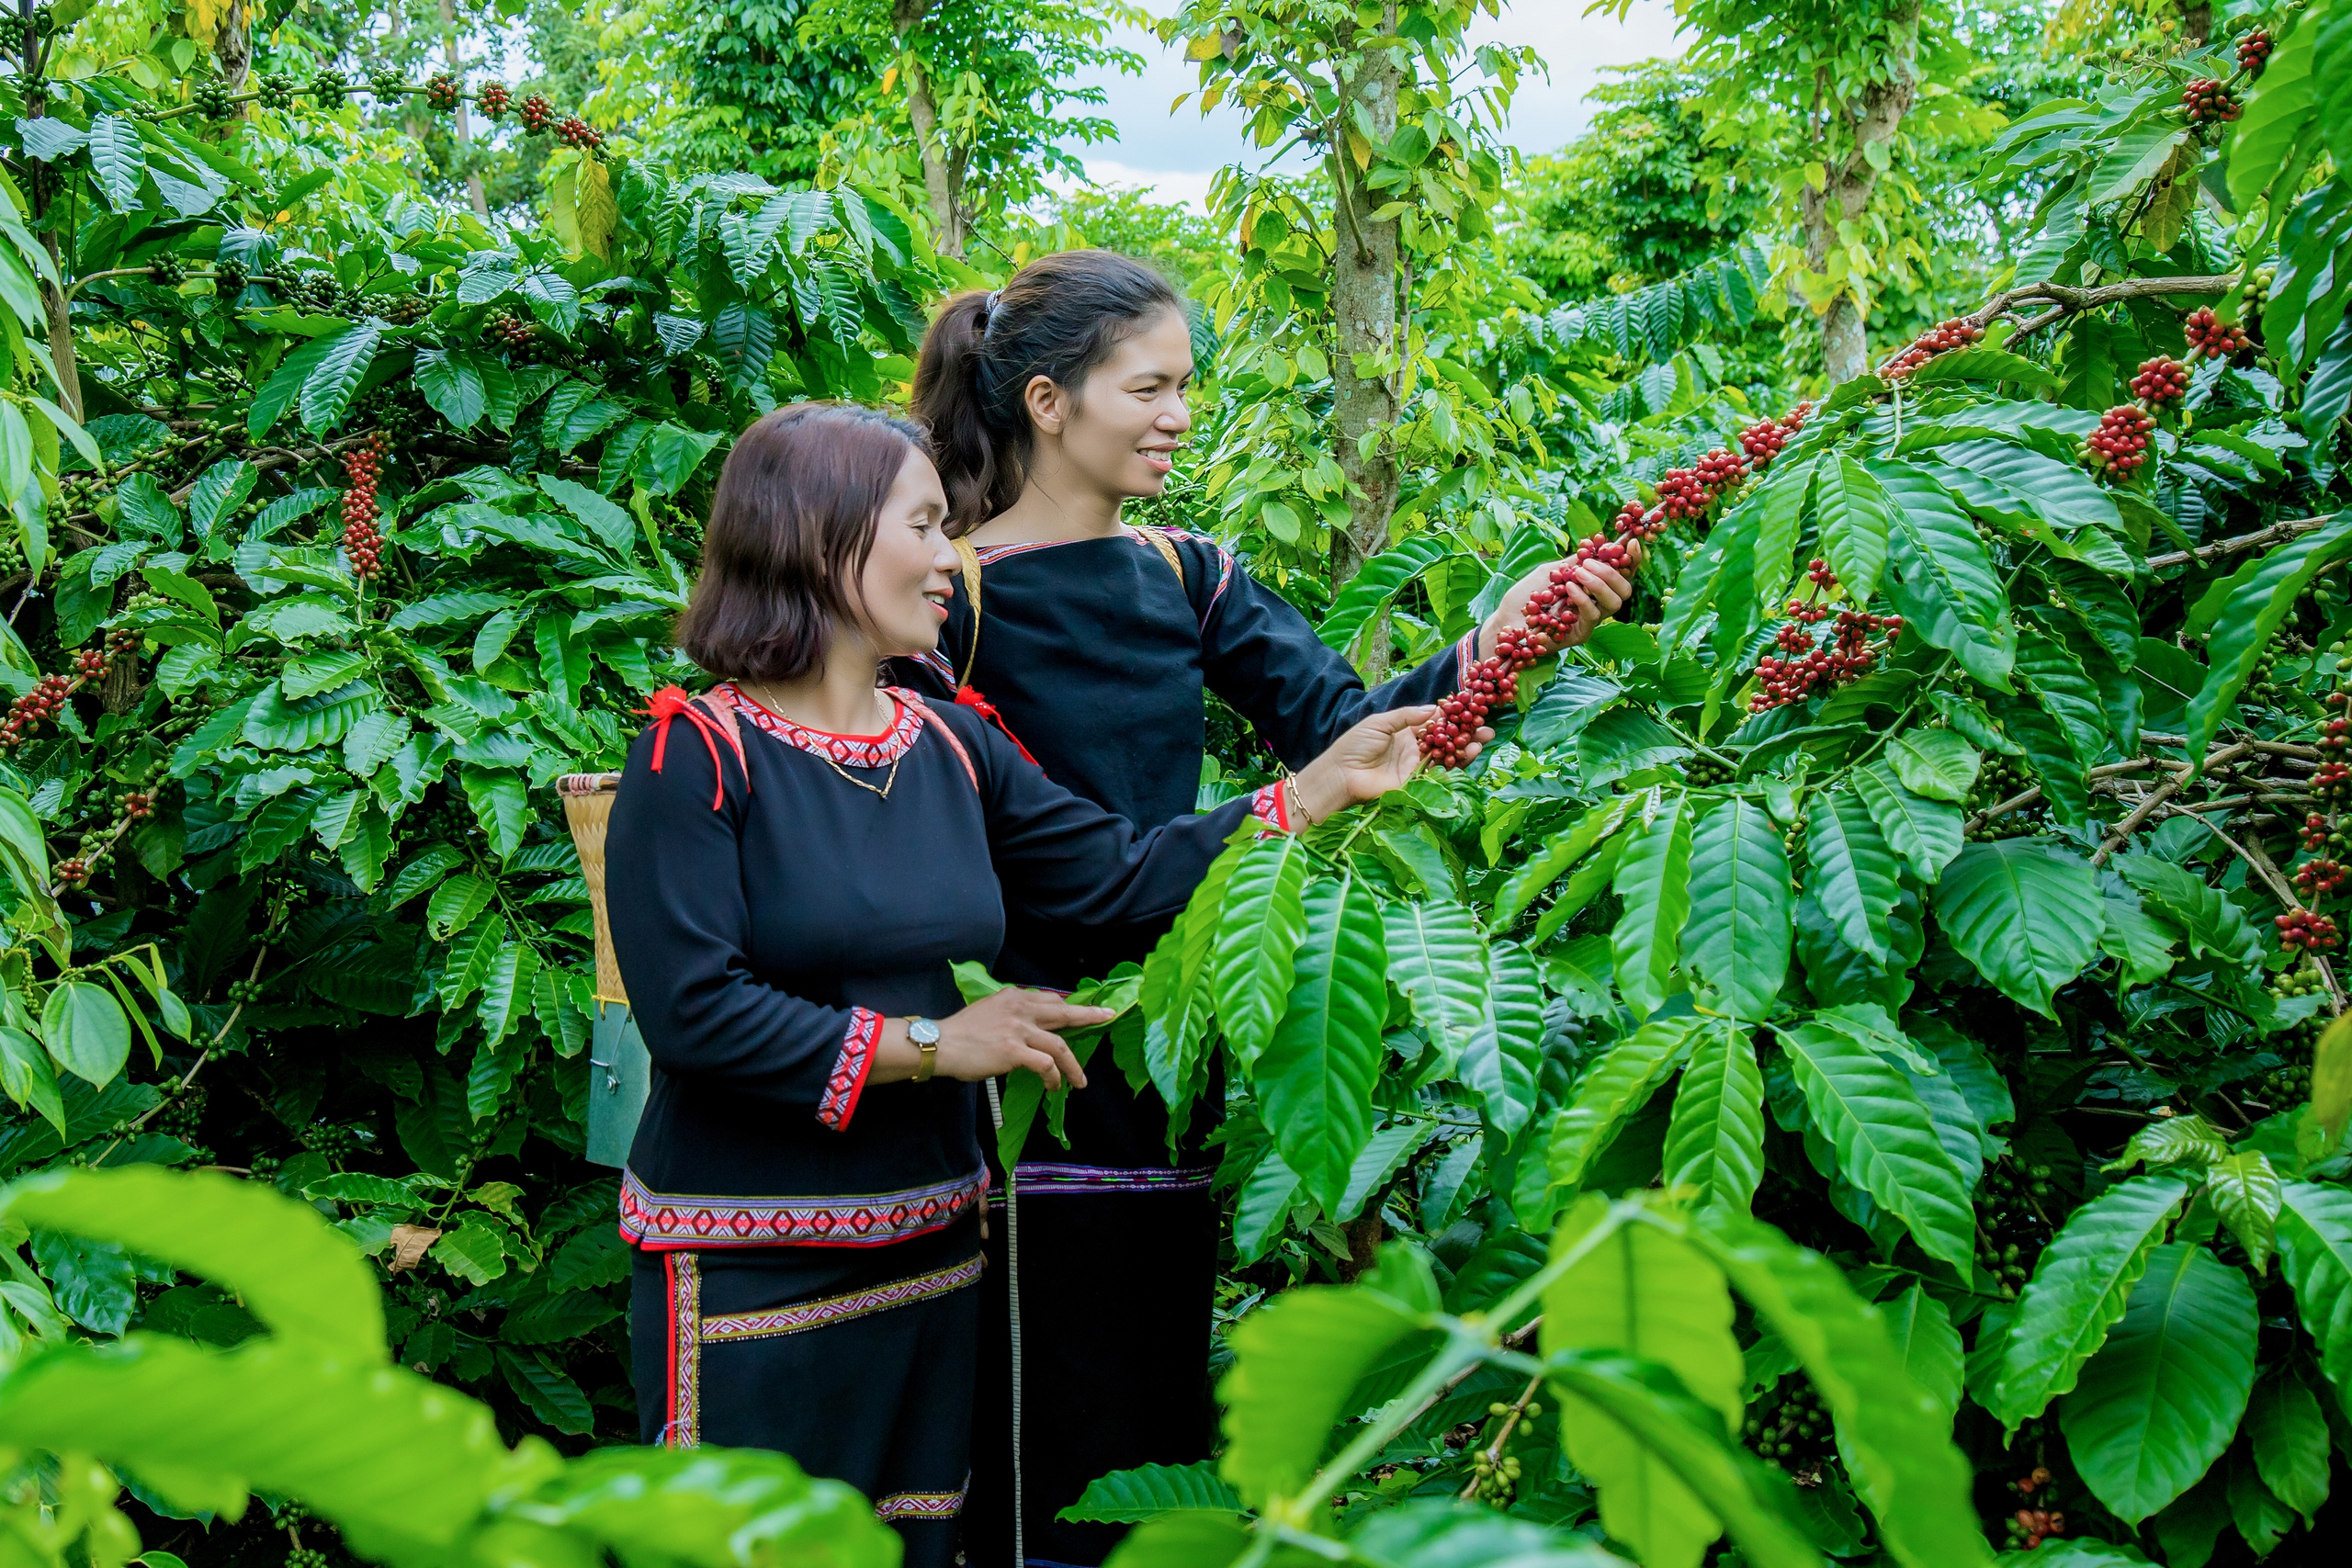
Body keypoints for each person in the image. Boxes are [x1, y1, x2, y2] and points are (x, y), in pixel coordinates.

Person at [604, 401, 1448, 1568]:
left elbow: (1114, 877)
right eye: (920, 526)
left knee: (913, 1542)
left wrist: (1303, 797)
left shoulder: (952, 742)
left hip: (935, 1248)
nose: (949, 560)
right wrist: (939, 1042)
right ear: (819, 538)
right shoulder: (695, 753)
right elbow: (696, 1013)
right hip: (755, 1267)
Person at [897, 250, 1637, 1566]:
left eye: (1187, 384)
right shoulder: (945, 597)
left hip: (1175, 1040)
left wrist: (1502, 642)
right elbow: (1091, 854)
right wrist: (1289, 803)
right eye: (1153, 385)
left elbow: (1351, 735)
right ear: (1052, 401)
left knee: (1151, 1410)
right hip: (1013, 1054)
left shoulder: (1187, 572)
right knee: (1037, 1433)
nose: (1181, 412)